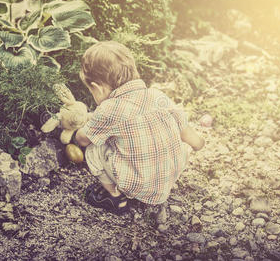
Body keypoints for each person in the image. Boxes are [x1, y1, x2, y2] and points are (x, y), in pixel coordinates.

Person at [75, 41, 204, 215]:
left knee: (93, 149)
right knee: (173, 139)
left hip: (136, 184)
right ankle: (159, 179)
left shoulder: (109, 109)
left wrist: (80, 128)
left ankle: (114, 196)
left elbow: (82, 139)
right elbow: (188, 134)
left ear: (97, 88)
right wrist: (197, 144)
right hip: (169, 177)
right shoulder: (157, 95)